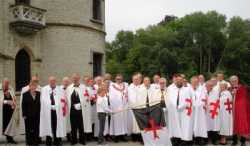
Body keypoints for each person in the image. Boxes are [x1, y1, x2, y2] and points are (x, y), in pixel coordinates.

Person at [166, 74, 193, 146]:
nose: (179, 81)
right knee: (174, 126)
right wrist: (172, 107)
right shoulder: (171, 89)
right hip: (173, 111)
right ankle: (175, 139)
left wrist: (181, 106)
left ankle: (183, 141)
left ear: (183, 81)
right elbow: (168, 99)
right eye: (177, 80)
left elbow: (188, 100)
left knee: (183, 126)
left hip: (183, 111)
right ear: (175, 81)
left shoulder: (187, 89)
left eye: (180, 80)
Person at [66, 73, 92, 145]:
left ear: (79, 79)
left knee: (81, 126)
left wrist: (81, 104)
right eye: (74, 78)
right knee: (73, 126)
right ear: (72, 79)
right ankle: (73, 140)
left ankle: (82, 140)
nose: (75, 79)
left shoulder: (84, 87)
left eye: (76, 78)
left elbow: (87, 97)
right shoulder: (69, 88)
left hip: (81, 110)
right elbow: (67, 99)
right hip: (72, 110)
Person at [40, 76, 66, 146]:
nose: (52, 82)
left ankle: (57, 141)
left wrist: (57, 106)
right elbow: (42, 100)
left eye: (54, 81)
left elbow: (63, 100)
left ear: (56, 81)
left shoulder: (60, 89)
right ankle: (48, 141)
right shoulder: (44, 89)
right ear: (49, 82)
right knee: (48, 126)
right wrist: (49, 106)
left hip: (57, 112)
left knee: (56, 126)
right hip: (48, 112)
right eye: (51, 81)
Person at [230, 75, 250, 146]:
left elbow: (244, 99)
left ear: (238, 80)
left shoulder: (242, 88)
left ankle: (243, 141)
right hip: (232, 109)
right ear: (230, 82)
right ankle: (234, 141)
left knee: (242, 123)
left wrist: (236, 92)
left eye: (235, 80)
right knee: (233, 124)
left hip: (240, 109)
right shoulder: (229, 88)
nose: (234, 82)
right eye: (232, 81)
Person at [109, 74, 128, 142]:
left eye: (120, 79)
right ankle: (116, 136)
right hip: (115, 106)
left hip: (124, 106)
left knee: (123, 121)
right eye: (117, 79)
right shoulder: (112, 85)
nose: (119, 80)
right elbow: (111, 96)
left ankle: (123, 135)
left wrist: (125, 96)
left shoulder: (125, 85)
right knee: (116, 122)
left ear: (122, 79)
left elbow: (127, 93)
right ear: (115, 79)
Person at [22, 81, 41, 146]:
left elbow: (40, 105)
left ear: (36, 87)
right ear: (29, 87)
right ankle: (29, 142)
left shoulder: (39, 94)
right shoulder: (25, 94)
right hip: (28, 115)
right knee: (28, 129)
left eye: (34, 86)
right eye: (32, 86)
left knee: (36, 128)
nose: (33, 87)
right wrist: (24, 114)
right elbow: (23, 105)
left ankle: (36, 142)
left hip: (37, 115)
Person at [190, 76, 208, 146]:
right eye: (193, 82)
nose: (195, 83)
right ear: (191, 82)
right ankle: (191, 139)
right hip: (190, 110)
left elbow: (203, 99)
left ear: (198, 82)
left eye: (196, 82)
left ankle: (199, 139)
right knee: (190, 124)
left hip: (199, 110)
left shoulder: (202, 89)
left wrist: (197, 105)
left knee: (199, 124)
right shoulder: (188, 89)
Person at [0, 78, 17, 144]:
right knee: (2, 124)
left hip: (10, 111)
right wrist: (6, 101)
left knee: (10, 125)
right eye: (5, 83)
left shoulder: (11, 88)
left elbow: (14, 97)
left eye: (8, 83)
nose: (7, 84)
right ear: (3, 82)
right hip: (1, 111)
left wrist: (13, 102)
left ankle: (10, 139)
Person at [127, 74, 142, 142]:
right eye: (134, 79)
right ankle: (133, 136)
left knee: (140, 122)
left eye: (137, 79)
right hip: (132, 108)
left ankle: (140, 137)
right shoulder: (129, 87)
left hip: (140, 107)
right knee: (132, 122)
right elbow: (128, 97)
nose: (136, 81)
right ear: (132, 80)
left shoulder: (142, 87)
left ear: (139, 80)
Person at [206, 79, 220, 145]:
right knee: (207, 125)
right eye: (208, 86)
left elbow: (217, 101)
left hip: (213, 111)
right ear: (206, 86)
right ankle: (207, 139)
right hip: (206, 112)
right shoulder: (203, 92)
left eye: (210, 86)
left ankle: (214, 140)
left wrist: (215, 110)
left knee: (214, 125)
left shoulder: (215, 92)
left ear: (212, 86)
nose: (209, 87)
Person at [60, 76, 71, 142]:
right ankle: (60, 136)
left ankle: (69, 136)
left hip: (69, 108)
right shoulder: (59, 88)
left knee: (68, 123)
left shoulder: (70, 88)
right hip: (62, 109)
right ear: (62, 82)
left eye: (67, 81)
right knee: (62, 122)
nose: (66, 82)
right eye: (65, 81)